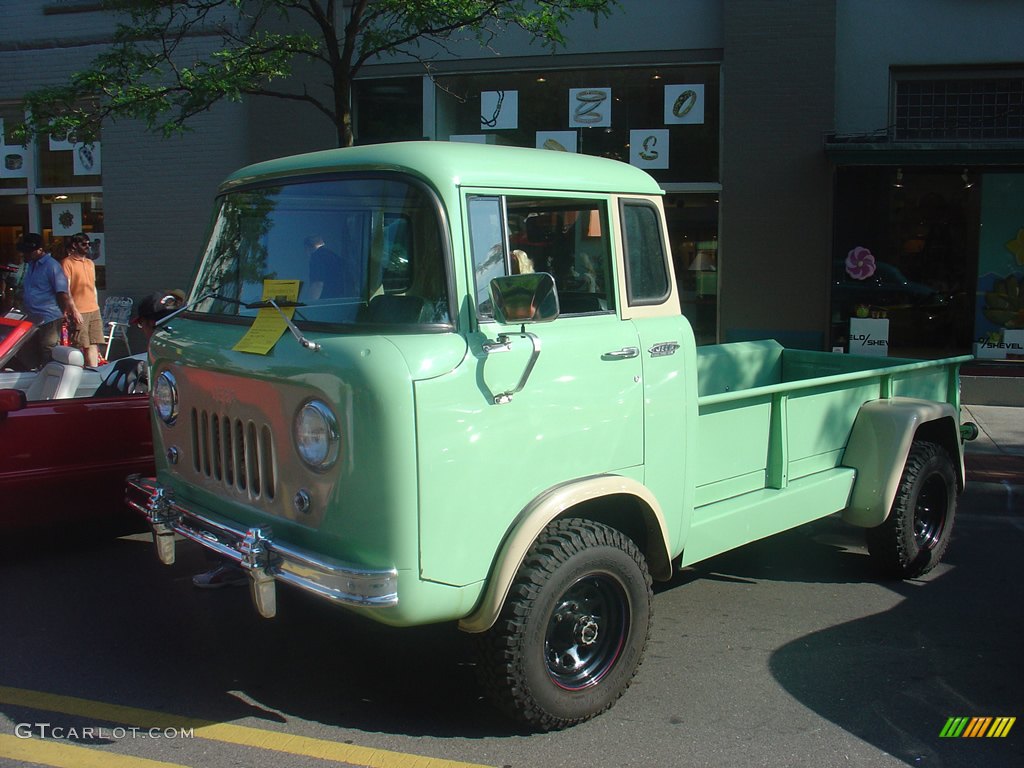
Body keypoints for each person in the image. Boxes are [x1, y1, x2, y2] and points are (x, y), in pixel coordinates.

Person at [16, 233, 72, 369]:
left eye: (28, 252)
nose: (25, 255)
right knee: (28, 349)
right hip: (31, 316)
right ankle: (33, 374)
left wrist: (66, 311)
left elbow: (61, 292)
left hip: (48, 316)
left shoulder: (51, 266)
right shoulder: (30, 266)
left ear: (39, 250)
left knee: (49, 348)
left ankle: (50, 380)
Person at [62, 232, 103, 366]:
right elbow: (66, 289)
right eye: (83, 244)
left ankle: (93, 374)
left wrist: (97, 306)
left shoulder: (90, 263)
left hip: (93, 309)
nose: (87, 247)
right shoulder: (67, 263)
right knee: (79, 345)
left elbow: (93, 286)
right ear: (75, 245)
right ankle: (77, 373)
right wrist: (74, 311)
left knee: (93, 344)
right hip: (79, 310)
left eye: (88, 244)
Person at [304, 235, 347, 299]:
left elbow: (318, 284)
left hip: (326, 302)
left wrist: (311, 304)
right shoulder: (333, 255)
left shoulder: (316, 257)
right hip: (339, 299)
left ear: (307, 248)